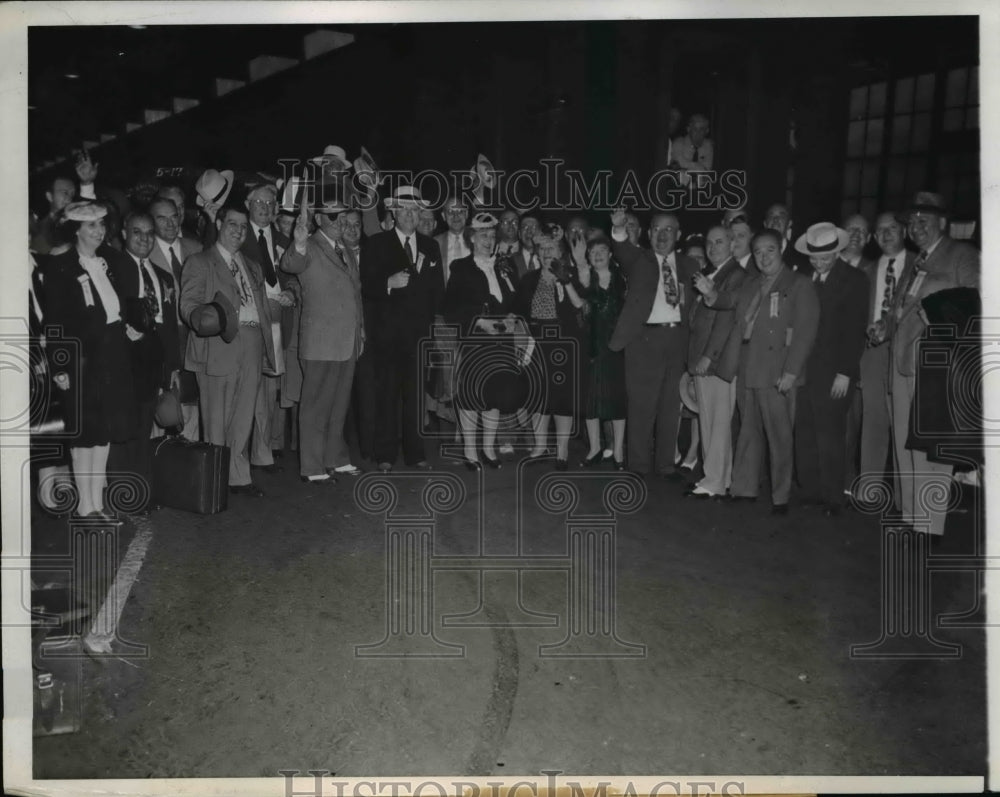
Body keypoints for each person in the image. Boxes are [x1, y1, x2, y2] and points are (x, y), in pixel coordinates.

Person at [695, 229, 819, 515]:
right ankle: (744, 489)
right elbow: (727, 300)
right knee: (748, 429)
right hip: (747, 362)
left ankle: (780, 496)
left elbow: (805, 333)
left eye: (770, 250)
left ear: (782, 249)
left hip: (777, 368)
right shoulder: (752, 283)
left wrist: (791, 372)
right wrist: (710, 291)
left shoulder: (799, 284)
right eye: (759, 252)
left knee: (779, 435)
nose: (763, 257)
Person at [888, 191, 979, 536]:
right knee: (904, 443)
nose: (916, 227)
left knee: (931, 448)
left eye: (923, 220)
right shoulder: (915, 260)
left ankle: (930, 527)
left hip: (936, 368)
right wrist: (886, 325)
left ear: (943, 223)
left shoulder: (963, 255)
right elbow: (905, 308)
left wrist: (935, 313)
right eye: (911, 222)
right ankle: (912, 518)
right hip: (901, 361)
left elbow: (981, 298)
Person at [41, 201, 136, 522]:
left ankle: (97, 504)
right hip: (81, 362)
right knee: (85, 437)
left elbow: (115, 309)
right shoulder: (61, 267)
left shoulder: (106, 263)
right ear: (76, 230)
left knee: (104, 433)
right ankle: (85, 507)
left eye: (101, 224)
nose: (100, 230)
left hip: (111, 358)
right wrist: (60, 366)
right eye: (92, 226)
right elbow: (53, 323)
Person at [180, 202, 276, 497]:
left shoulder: (253, 265)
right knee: (216, 417)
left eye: (243, 227)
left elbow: (260, 307)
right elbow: (189, 305)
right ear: (219, 224)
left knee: (244, 414)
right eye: (232, 224)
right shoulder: (199, 262)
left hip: (252, 342)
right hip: (218, 344)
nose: (238, 231)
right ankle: (214, 479)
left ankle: (238, 476)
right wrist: (203, 318)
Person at [608, 209, 698, 478]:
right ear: (649, 233)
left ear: (678, 235)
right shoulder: (638, 259)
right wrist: (618, 228)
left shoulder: (690, 266)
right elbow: (621, 247)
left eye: (668, 229)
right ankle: (638, 465)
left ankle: (665, 464)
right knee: (641, 405)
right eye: (657, 229)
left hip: (678, 340)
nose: (662, 235)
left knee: (671, 406)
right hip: (644, 340)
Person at [360, 186, 444, 473]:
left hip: (418, 336)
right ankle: (385, 454)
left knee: (415, 398)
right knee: (387, 396)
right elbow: (366, 287)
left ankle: (415, 454)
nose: (410, 215)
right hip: (387, 336)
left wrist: (430, 331)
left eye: (414, 210)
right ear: (393, 212)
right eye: (404, 209)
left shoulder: (430, 246)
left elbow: (437, 292)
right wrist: (387, 283)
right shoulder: (376, 243)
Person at [281, 201, 365, 484]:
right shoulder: (310, 247)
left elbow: (356, 294)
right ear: (318, 218)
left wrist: (360, 331)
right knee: (315, 405)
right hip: (320, 340)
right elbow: (290, 263)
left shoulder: (346, 250)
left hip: (347, 339)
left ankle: (336, 458)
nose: (341, 222)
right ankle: (313, 466)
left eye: (344, 216)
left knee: (339, 404)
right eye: (334, 216)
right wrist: (299, 241)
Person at [792, 223, 870, 517]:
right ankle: (810, 491)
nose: (819, 262)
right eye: (815, 257)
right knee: (806, 431)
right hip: (806, 369)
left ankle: (832, 497)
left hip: (836, 371)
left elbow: (855, 329)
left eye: (825, 257)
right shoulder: (805, 278)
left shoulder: (855, 280)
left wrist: (846, 372)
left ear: (837, 251)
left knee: (831, 435)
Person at [105, 211, 182, 508]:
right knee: (123, 433)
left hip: (153, 363)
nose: (144, 238)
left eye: (150, 233)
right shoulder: (112, 267)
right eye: (137, 231)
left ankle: (141, 493)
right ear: (124, 233)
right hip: (124, 362)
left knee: (143, 431)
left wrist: (172, 366)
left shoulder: (162, 277)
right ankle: (123, 494)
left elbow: (169, 328)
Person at [444, 212, 523, 469]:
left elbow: (518, 300)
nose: (488, 240)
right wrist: (478, 321)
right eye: (482, 235)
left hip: (502, 340)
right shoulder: (461, 268)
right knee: (472, 396)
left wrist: (512, 316)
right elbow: (450, 309)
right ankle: (470, 451)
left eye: (492, 235)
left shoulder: (505, 265)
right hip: (477, 340)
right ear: (471, 238)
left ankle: (488, 450)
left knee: (495, 394)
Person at [850, 211, 915, 499]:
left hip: (906, 351)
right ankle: (869, 491)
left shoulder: (919, 265)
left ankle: (906, 498)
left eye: (892, 229)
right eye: (880, 231)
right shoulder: (866, 271)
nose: (886, 235)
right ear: (874, 238)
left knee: (905, 424)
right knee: (873, 421)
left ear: (903, 232)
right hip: (873, 351)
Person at [515, 223, 586, 469]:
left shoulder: (571, 276)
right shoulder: (528, 280)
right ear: (536, 253)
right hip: (538, 344)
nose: (547, 254)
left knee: (562, 400)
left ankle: (562, 449)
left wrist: (565, 280)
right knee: (539, 398)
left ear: (560, 252)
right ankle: (539, 446)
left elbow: (580, 306)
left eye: (552, 249)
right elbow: (521, 314)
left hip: (564, 345)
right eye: (542, 250)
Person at [683, 225, 746, 499]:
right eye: (709, 242)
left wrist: (708, 356)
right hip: (705, 356)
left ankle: (714, 481)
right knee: (711, 419)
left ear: (732, 245)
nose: (712, 247)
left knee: (716, 421)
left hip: (716, 360)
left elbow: (727, 319)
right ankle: (721, 477)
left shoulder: (736, 274)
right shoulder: (713, 273)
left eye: (719, 242)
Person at [241, 183, 295, 474]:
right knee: (249, 390)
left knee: (269, 391)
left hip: (276, 323)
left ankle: (262, 452)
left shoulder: (282, 239)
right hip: (248, 324)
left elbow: (293, 277)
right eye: (259, 201)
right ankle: (244, 453)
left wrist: (292, 293)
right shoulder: (237, 233)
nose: (265, 206)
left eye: (270, 202)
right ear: (248, 203)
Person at [147, 195, 203, 440]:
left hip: (193, 334)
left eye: (174, 217)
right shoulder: (144, 252)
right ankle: (158, 458)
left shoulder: (196, 248)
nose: (170, 224)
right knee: (164, 403)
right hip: (162, 336)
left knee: (191, 402)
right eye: (162, 219)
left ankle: (189, 461)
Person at [576, 235, 627, 469]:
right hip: (593, 346)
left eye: (602, 250)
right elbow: (580, 310)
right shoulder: (585, 279)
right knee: (591, 400)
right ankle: (595, 448)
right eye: (592, 251)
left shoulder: (623, 280)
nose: (597, 254)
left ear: (610, 254)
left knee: (617, 400)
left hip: (618, 348)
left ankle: (618, 452)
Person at [762, 203, 812, 276]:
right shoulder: (755, 257)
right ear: (765, 224)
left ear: (789, 224)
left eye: (781, 216)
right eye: (771, 216)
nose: (776, 219)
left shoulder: (802, 259)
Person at [31, 174, 76, 255]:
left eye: (72, 194)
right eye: (65, 193)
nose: (70, 199)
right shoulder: (39, 231)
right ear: (50, 196)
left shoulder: (77, 220)